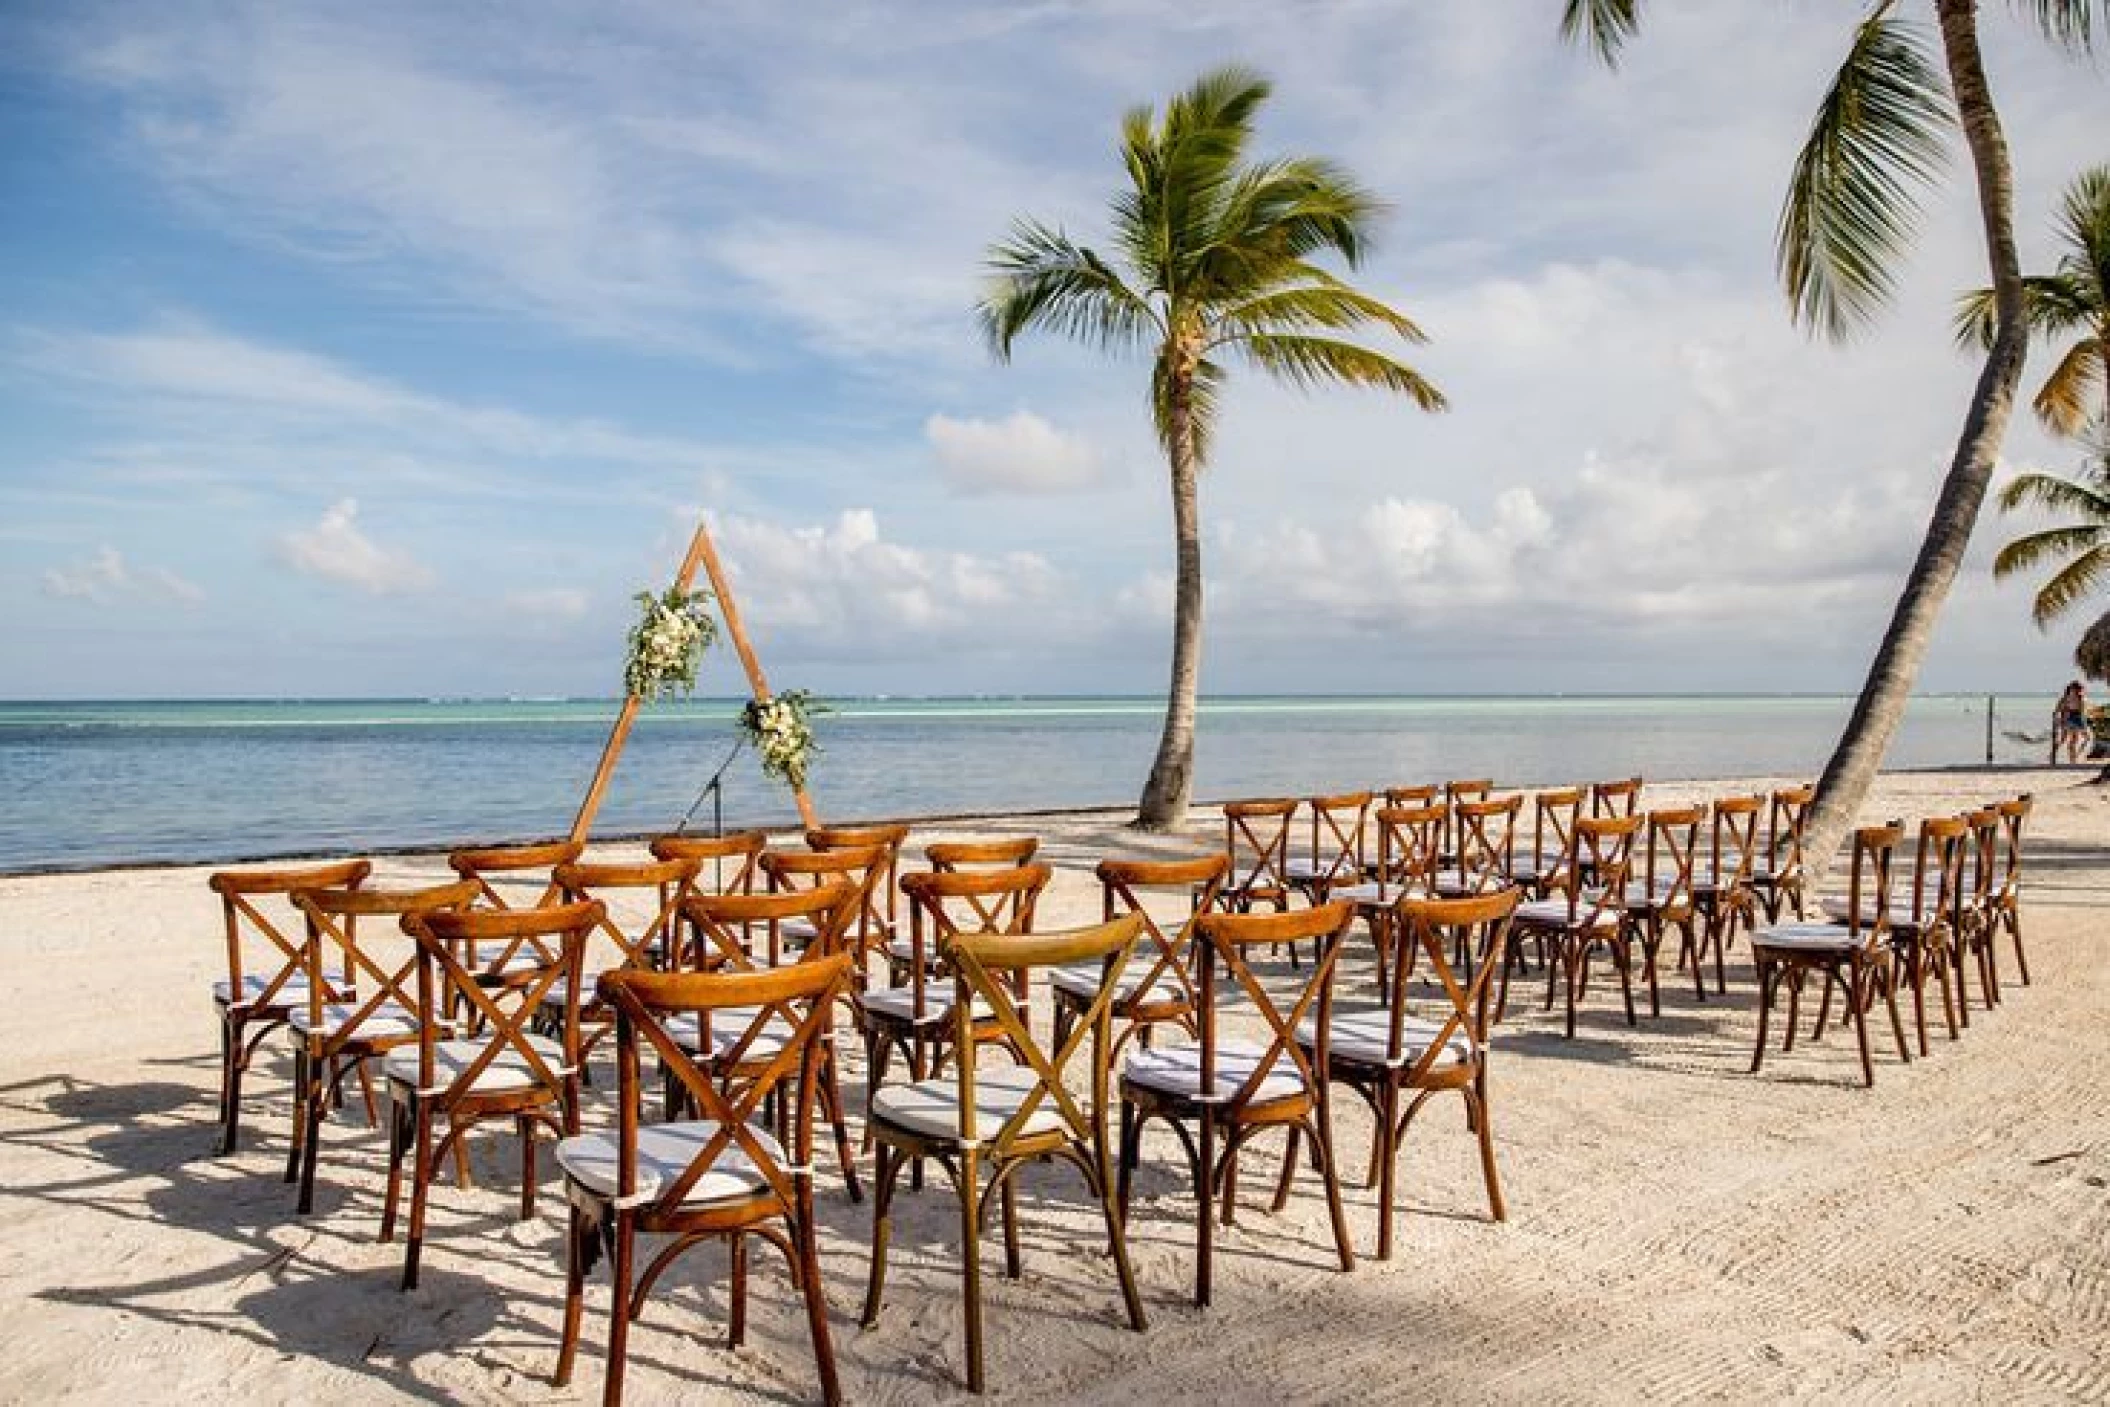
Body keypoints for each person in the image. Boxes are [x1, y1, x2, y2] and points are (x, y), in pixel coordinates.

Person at [2055, 680, 2088, 765]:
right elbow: (2058, 708)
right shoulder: (2068, 697)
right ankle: (2073, 759)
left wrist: (2058, 716)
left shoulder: (2077, 697)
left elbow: (2058, 709)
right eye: (2076, 688)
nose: (2076, 691)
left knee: (2072, 740)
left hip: (2075, 719)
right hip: (2072, 719)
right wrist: (2059, 717)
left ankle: (2074, 757)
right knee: (2072, 740)